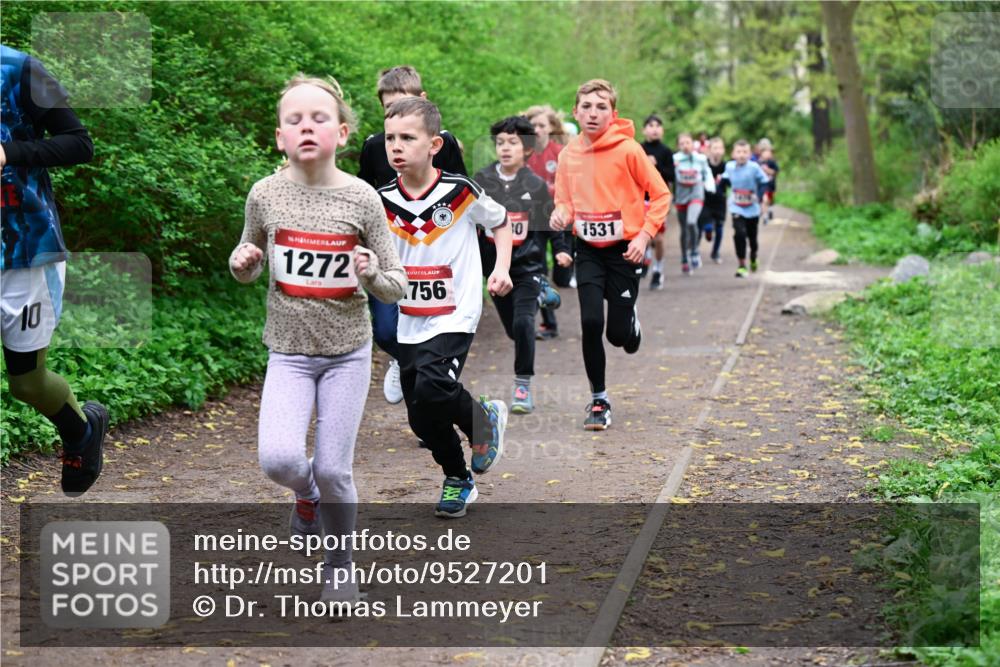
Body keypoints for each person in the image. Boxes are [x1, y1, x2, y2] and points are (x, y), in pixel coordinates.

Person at [230, 75, 406, 602]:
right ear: (280, 137)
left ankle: (339, 567)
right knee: (279, 461)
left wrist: (371, 275)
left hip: (347, 353)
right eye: (295, 120)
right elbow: (246, 263)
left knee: (334, 469)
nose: (306, 127)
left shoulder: (362, 198)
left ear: (343, 133)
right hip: (287, 352)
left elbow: (396, 284)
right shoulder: (264, 194)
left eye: (319, 118)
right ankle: (304, 495)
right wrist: (243, 263)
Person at [379, 97, 512, 518]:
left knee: (434, 385)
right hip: (410, 316)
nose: (396, 146)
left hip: (457, 310)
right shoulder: (382, 199)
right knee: (420, 416)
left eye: (407, 138)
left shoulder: (459, 192)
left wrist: (501, 268)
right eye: (390, 138)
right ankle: (458, 477)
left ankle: (480, 423)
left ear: (434, 144)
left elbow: (500, 221)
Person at [1, 44, 108, 497]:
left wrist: (8, 152)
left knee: (27, 383)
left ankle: (81, 431)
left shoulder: (18, 69)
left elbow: (79, 143)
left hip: (25, 251)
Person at [549, 79, 670, 431]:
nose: (593, 113)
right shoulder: (568, 154)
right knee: (590, 323)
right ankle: (599, 399)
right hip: (588, 249)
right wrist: (561, 215)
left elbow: (660, 195)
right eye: (586, 106)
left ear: (613, 114)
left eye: (601, 107)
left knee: (617, 336)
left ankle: (630, 321)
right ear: (575, 112)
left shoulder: (629, 150)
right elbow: (564, 202)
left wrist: (644, 236)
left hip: (625, 250)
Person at [357, 65, 467, 405]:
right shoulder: (374, 147)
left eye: (405, 104)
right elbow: (363, 195)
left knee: (434, 340)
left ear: (423, 100)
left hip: (434, 253)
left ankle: (434, 395)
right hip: (390, 251)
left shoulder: (444, 144)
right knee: (385, 331)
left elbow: (464, 198)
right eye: (390, 108)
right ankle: (402, 358)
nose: (399, 115)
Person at [475, 116, 568, 414]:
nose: (505, 148)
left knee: (524, 323)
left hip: (528, 267)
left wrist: (561, 250)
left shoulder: (535, 184)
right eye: (501, 143)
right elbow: (470, 222)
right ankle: (542, 295)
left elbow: (549, 221)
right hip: (495, 269)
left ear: (527, 149)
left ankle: (522, 386)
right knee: (514, 332)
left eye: (513, 143)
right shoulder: (481, 181)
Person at [524, 104, 571, 340]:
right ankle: (548, 323)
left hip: (561, 219)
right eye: (533, 125)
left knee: (563, 276)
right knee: (539, 269)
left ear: (551, 127)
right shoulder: (524, 154)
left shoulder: (562, 153)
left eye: (542, 125)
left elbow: (571, 186)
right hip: (535, 220)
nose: (537, 129)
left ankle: (566, 277)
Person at [722, 139, 770, 277]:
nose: (742, 155)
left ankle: (753, 256)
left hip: (752, 208)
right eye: (738, 152)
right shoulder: (729, 166)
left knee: (752, 238)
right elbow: (724, 181)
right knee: (739, 234)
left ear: (750, 154)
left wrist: (760, 196)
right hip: (736, 206)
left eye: (745, 152)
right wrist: (719, 190)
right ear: (733, 154)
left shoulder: (754, 167)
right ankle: (742, 264)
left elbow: (764, 182)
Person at [672, 132, 715, 274]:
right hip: (681, 196)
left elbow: (707, 173)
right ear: (678, 146)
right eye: (682, 143)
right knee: (684, 230)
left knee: (691, 222)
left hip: (696, 194)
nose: (685, 146)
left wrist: (710, 186)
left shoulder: (700, 159)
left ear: (693, 144)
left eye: (688, 143)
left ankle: (695, 251)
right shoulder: (675, 159)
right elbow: (668, 175)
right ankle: (684, 258)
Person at [640, 114, 674, 290]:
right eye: (651, 125)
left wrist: (656, 165)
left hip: (658, 199)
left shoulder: (666, 151)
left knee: (659, 239)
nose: (654, 129)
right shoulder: (638, 149)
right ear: (644, 130)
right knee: (643, 236)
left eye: (658, 126)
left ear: (662, 130)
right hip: (639, 199)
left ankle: (658, 270)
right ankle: (645, 258)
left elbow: (671, 176)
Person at [699, 137, 729, 263]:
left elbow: (731, 182)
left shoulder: (727, 166)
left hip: (720, 201)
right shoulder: (703, 164)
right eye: (715, 148)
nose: (717, 151)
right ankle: (695, 250)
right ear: (709, 150)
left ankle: (715, 252)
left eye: (720, 148)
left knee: (720, 228)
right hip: (705, 200)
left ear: (723, 150)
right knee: (706, 227)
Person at [758, 146, 779, 223]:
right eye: (765, 152)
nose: (767, 154)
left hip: (771, 185)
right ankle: (765, 215)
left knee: (769, 200)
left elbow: (775, 172)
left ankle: (768, 211)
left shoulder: (772, 162)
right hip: (762, 185)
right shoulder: (758, 162)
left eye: (769, 152)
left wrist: (767, 170)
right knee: (764, 199)